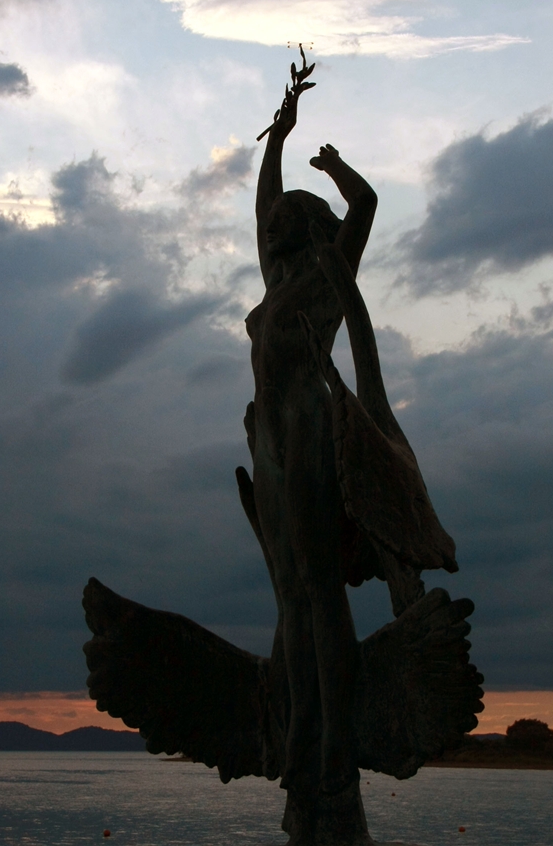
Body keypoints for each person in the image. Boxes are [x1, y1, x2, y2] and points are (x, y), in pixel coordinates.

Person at [243, 55, 378, 844]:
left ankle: (333, 742)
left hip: (309, 428)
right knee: (289, 591)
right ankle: (298, 729)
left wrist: (332, 169)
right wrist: (278, 139)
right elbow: (262, 202)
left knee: (320, 591)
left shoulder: (327, 273)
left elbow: (365, 205)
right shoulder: (275, 280)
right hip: (268, 438)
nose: (271, 222)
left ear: (307, 223)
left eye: (285, 215)